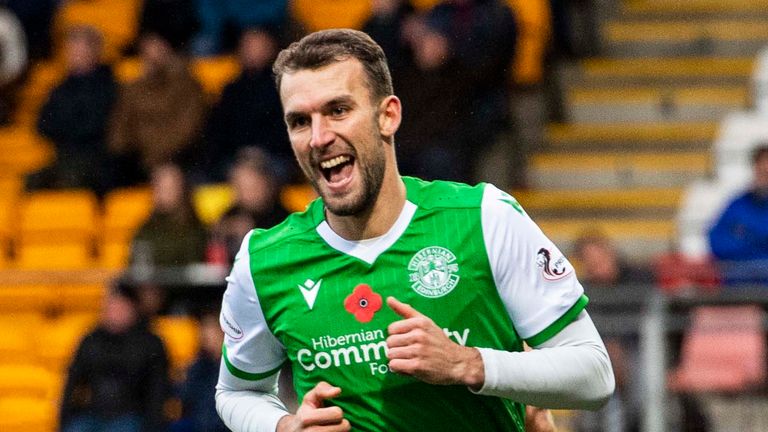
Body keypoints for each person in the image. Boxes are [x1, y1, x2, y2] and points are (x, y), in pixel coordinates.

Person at [215, 29, 614, 432]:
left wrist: (466, 363)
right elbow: (235, 392)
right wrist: (283, 426)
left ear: (388, 115)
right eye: (300, 121)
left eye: (338, 110)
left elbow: (594, 374)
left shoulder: (483, 218)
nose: (318, 138)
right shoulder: (265, 260)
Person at [60, 281, 170, 432]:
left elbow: (157, 391)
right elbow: (72, 381)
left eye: (119, 306)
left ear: (132, 309)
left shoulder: (150, 344)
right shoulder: (91, 340)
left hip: (131, 417)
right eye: (110, 306)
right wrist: (65, 419)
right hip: (93, 415)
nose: (113, 311)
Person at [26, 25, 116, 197]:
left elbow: (96, 126)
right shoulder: (60, 88)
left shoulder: (107, 86)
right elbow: (42, 125)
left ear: (94, 51)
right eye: (70, 49)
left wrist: (66, 127)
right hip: (64, 158)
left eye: (78, 49)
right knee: (31, 181)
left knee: (71, 178)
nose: (73, 55)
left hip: (97, 161)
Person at [108, 32, 207, 186]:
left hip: (177, 157)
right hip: (139, 161)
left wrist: (155, 156)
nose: (152, 57)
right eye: (146, 52)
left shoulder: (188, 86)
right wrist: (128, 154)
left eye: (157, 50)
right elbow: (119, 130)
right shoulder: (132, 89)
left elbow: (187, 128)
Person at [203, 28, 292, 183]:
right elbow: (219, 131)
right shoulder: (231, 90)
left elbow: (287, 130)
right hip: (235, 158)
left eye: (259, 47)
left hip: (273, 157)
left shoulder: (285, 88)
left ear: (271, 50)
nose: (253, 52)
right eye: (249, 46)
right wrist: (242, 153)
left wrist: (260, 152)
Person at [209, 147, 290, 263]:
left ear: (268, 184)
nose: (246, 194)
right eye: (241, 188)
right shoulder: (230, 215)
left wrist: (252, 234)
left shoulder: (284, 219)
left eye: (253, 187)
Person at [129, 163, 208, 270]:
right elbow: (137, 267)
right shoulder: (145, 229)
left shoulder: (195, 229)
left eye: (169, 188)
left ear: (181, 189)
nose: (163, 193)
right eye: (159, 187)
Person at [708, 144, 768, 284]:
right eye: (762, 172)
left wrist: (745, 235)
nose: (765, 178)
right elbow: (717, 243)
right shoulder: (737, 205)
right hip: (737, 288)